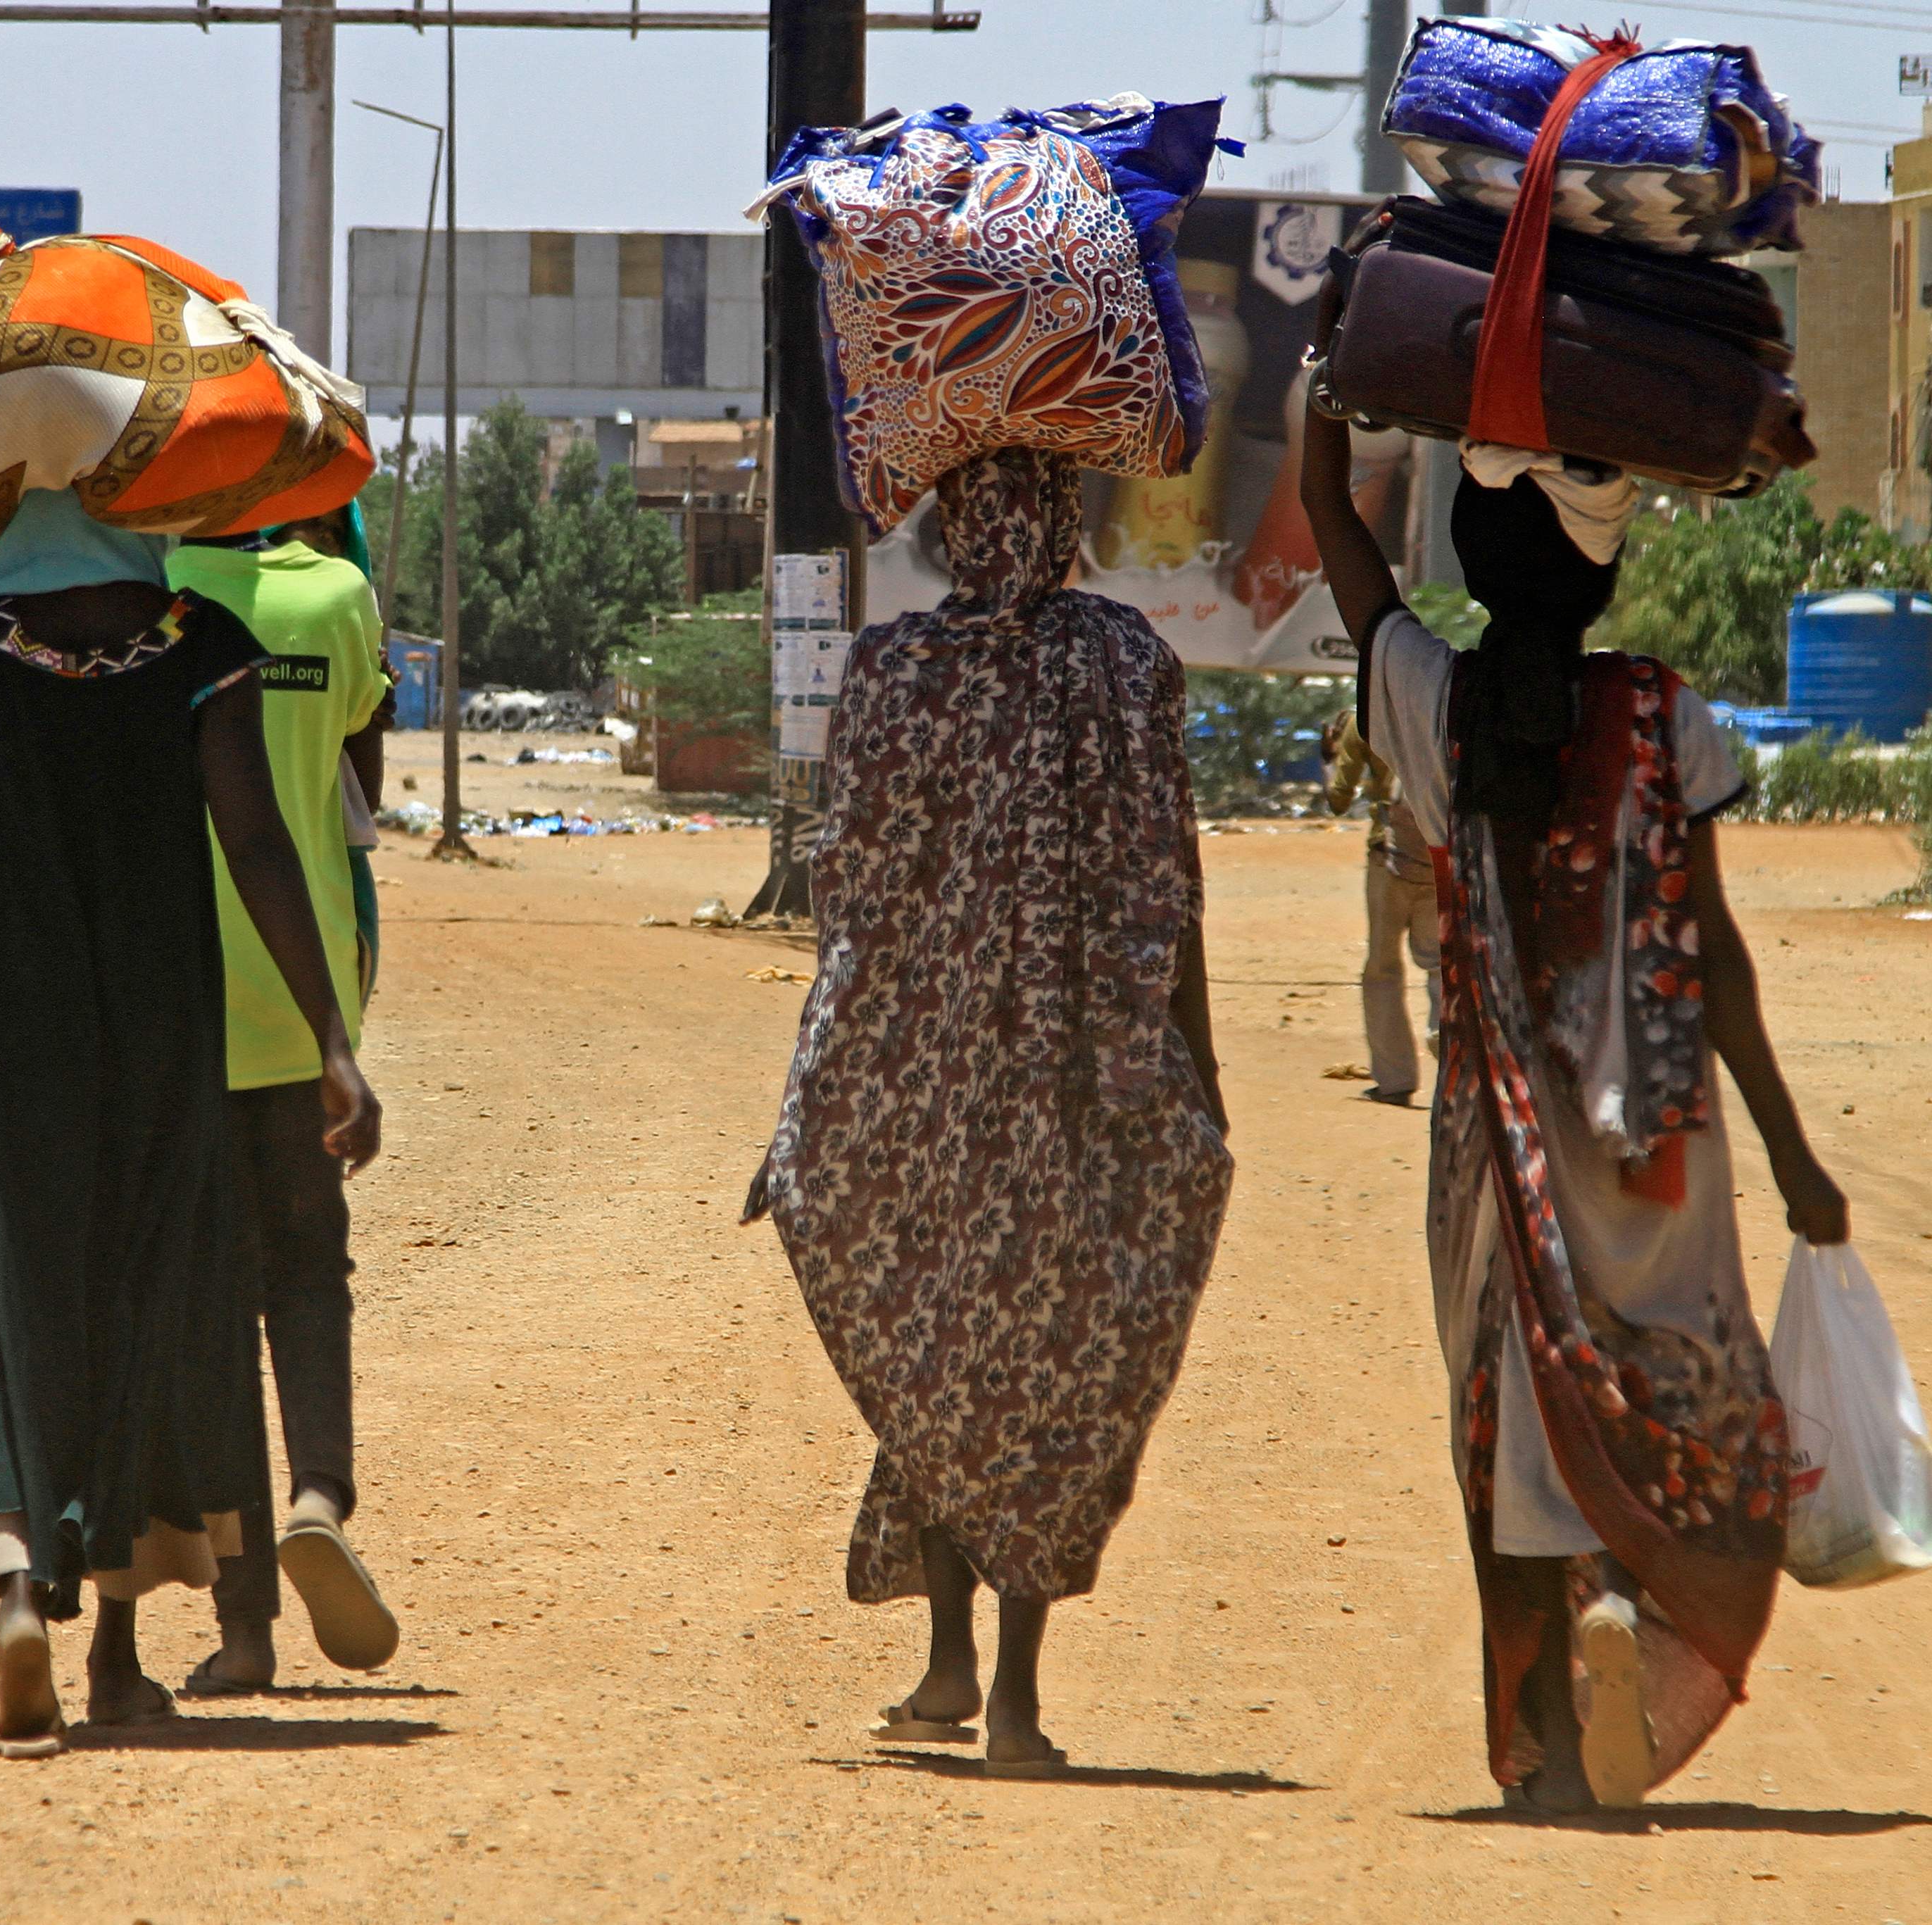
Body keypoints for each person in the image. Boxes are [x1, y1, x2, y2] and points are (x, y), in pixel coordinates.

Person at [1298, 341, 1848, 1813]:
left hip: (1498, 1137)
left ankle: (1543, 1718)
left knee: (1511, 1406)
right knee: (1677, 1385)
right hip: (1657, 1131)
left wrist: (1327, 394)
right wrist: (1794, 1156)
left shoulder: (1428, 702)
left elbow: (1338, 540)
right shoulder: (1669, 715)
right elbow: (1718, 953)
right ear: (1599, 579)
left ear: (1474, 554)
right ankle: (1640, 1612)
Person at [746, 448, 1234, 1778]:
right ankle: (1003, 1687)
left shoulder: (891, 667)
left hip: (907, 1088)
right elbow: (1166, 881)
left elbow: (845, 892)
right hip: (1073, 1085)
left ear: (951, 526)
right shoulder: (1124, 660)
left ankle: (952, 1654)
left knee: (939, 1345)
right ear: (1063, 523)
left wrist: (814, 1088)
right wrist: (1196, 1065)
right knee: (1043, 1363)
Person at [0, 489, 382, 1759]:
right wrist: (332, 1041)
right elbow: (262, 842)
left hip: (18, 1028)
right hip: (172, 1030)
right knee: (147, 1296)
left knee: (5, 1296)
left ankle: (14, 1584)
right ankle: (115, 1656)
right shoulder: (198, 643)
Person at [163, 503, 400, 1693]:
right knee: (308, 1273)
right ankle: (320, 1491)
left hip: (173, 1010)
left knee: (209, 1313)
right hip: (303, 997)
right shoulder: (337, 600)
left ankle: (246, 1623)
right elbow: (362, 795)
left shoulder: (148, 596)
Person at [1323, 706, 1441, 1106]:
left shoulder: (1365, 718)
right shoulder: (1438, 704)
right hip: (1441, 858)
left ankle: (1395, 1080)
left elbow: (1339, 799)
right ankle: (1448, 1039)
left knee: (1382, 969)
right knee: (1442, 964)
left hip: (1389, 860)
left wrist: (1330, 760)